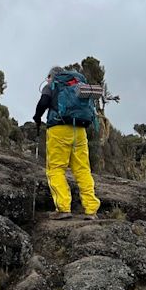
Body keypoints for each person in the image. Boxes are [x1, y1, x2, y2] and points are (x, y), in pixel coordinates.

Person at [33, 66, 100, 220]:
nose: (47, 80)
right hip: (79, 130)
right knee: (83, 170)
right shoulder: (76, 84)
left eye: (48, 77)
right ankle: (91, 210)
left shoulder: (52, 85)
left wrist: (37, 117)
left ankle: (63, 208)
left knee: (56, 169)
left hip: (59, 129)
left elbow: (43, 101)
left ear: (51, 76)